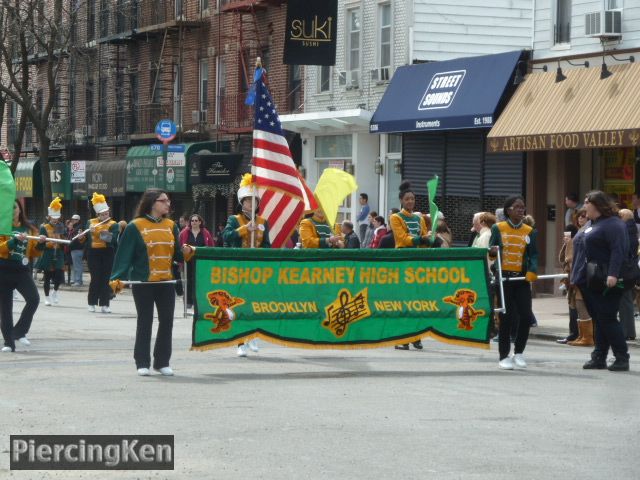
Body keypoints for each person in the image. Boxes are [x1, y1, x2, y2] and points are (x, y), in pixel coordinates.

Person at [110, 188, 190, 376]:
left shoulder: (171, 225)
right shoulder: (135, 226)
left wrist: (187, 251)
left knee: (167, 322)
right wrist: (117, 278)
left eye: (168, 201)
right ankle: (142, 361)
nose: (168, 204)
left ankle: (162, 361)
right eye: (164, 201)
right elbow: (124, 256)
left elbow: (177, 254)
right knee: (145, 321)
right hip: (143, 282)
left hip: (166, 282)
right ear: (152, 202)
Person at [572, 190, 630, 371]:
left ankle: (622, 357)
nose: (584, 206)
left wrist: (612, 274)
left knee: (608, 318)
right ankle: (599, 356)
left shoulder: (614, 225)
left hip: (606, 279)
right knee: (599, 319)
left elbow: (618, 251)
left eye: (587, 202)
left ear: (597, 204)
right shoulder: (592, 223)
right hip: (589, 279)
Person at [223, 174, 271, 357]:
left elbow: (267, 244)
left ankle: (253, 336)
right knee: (239, 304)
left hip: (256, 268)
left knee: (255, 303)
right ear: (242, 203)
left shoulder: (263, 222)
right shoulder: (234, 219)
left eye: (254, 201)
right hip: (239, 267)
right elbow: (226, 237)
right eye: (248, 201)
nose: (252, 204)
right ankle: (240, 342)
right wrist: (244, 229)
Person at [489, 195, 538, 370]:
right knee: (506, 317)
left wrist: (532, 270)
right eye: (517, 207)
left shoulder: (529, 231)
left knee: (525, 316)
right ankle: (503, 356)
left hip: (522, 279)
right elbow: (491, 252)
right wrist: (493, 253)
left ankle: (519, 352)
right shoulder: (497, 228)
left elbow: (533, 254)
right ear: (508, 210)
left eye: (522, 207)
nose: (521, 210)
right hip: (504, 280)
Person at [390, 181, 441, 351]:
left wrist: (431, 239)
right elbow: (402, 238)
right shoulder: (396, 217)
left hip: (418, 262)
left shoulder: (419, 218)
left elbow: (424, 239)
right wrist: (421, 239)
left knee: (419, 300)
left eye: (412, 199)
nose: (410, 201)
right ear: (401, 201)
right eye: (407, 199)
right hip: (404, 260)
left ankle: (417, 336)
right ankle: (405, 338)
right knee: (405, 300)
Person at [0, 201, 44, 352]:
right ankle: (8, 343)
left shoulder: (29, 229)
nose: (12, 210)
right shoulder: (2, 228)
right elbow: (1, 248)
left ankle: (19, 332)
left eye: (15, 207)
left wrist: (41, 244)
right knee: (5, 309)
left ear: (20, 209)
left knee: (34, 299)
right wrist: (13, 241)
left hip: (22, 270)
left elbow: (34, 252)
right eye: (9, 207)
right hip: (3, 269)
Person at [557, 208, 593, 346]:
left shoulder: (584, 234)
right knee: (575, 305)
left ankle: (585, 336)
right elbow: (563, 258)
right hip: (575, 276)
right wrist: (567, 244)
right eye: (579, 217)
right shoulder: (577, 234)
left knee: (580, 305)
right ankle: (580, 335)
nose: (581, 219)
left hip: (580, 276)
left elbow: (571, 259)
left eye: (584, 217)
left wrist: (574, 276)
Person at [81, 193, 119, 314]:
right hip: (93, 253)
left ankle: (105, 304)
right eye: (102, 214)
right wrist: (82, 236)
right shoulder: (90, 223)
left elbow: (111, 239)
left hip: (108, 252)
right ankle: (91, 303)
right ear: (98, 215)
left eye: (107, 213)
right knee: (95, 278)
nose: (105, 216)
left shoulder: (114, 224)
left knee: (105, 279)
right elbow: (85, 239)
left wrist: (97, 232)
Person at [35, 197, 66, 306]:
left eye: (57, 217)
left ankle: (55, 292)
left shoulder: (61, 226)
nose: (55, 219)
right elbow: (40, 245)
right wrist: (48, 243)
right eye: (53, 217)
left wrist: (61, 240)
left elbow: (64, 239)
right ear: (49, 217)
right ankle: (47, 297)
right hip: (48, 253)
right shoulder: (44, 227)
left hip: (59, 253)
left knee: (59, 276)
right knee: (47, 277)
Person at [179, 213, 214, 309]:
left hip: (201, 262)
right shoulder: (184, 232)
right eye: (192, 221)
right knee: (188, 281)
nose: (194, 222)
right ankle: (188, 302)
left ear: (200, 222)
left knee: (200, 281)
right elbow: (180, 246)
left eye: (196, 220)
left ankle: (199, 301)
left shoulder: (206, 233)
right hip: (188, 261)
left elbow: (211, 246)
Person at [617, 209, 638, 341]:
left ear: (624, 217)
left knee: (624, 301)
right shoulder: (632, 230)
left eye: (619, 216)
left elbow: (624, 251)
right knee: (626, 300)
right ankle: (628, 331)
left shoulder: (625, 230)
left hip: (625, 270)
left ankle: (626, 331)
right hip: (630, 270)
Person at [68, 214, 84, 286]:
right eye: (72, 219)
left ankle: (78, 281)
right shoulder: (76, 227)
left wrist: (71, 243)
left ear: (78, 220)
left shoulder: (79, 228)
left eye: (74, 219)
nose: (73, 221)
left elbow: (78, 239)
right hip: (75, 248)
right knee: (76, 265)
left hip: (77, 248)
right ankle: (78, 280)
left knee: (77, 266)